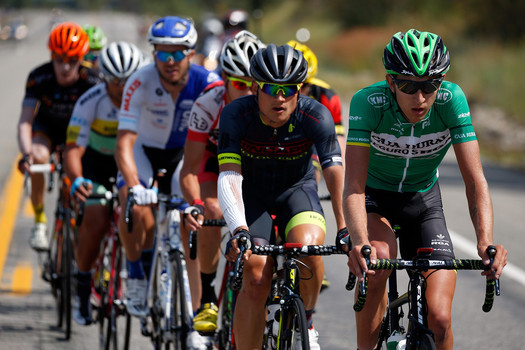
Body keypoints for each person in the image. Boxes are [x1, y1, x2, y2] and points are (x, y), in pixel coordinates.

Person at [342, 29, 508, 350]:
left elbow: (475, 182)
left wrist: (485, 240)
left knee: (440, 318)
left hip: (423, 201)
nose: (420, 98)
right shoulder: (369, 103)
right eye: (407, 85)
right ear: (391, 82)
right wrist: (360, 241)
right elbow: (353, 186)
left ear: (441, 82)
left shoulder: (450, 100)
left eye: (430, 85)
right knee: (378, 264)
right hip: (376, 200)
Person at [218, 44, 346, 350]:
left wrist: (344, 227)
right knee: (255, 274)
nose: (280, 97)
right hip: (253, 196)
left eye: (288, 89)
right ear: (254, 87)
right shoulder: (236, 115)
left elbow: (334, 172)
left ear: (299, 89)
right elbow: (230, 176)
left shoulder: (316, 115)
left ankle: (308, 320)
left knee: (310, 250)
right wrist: (239, 229)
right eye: (271, 88)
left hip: (296, 191)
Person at [114, 15, 220, 348]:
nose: (170, 61)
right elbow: (124, 143)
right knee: (134, 207)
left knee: (193, 225)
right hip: (143, 153)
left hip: (182, 158)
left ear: (191, 53)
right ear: (154, 54)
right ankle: (135, 271)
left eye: (178, 53)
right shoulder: (139, 81)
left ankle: (193, 322)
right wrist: (134, 186)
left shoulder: (208, 81)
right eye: (163, 53)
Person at [180, 30, 265, 333]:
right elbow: (189, 168)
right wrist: (196, 205)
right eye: (240, 84)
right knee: (213, 212)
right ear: (225, 79)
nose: (249, 93)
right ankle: (206, 298)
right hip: (212, 165)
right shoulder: (207, 104)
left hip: (253, 170)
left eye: (254, 85)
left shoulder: (269, 104)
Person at [64, 41, 144, 326]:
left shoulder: (147, 99)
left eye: (128, 80)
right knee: (96, 221)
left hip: (132, 165)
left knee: (141, 215)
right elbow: (73, 147)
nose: (122, 88)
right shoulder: (90, 101)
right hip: (96, 167)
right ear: (104, 77)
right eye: (114, 81)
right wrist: (77, 179)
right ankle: (82, 289)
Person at [17, 21, 101, 251]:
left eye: (72, 60)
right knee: (38, 157)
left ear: (82, 58)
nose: (65, 67)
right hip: (47, 129)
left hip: (80, 134)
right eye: (59, 59)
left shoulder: (93, 80)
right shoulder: (39, 77)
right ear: (51, 55)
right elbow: (25, 120)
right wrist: (26, 155)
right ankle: (40, 221)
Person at [287, 40, 346, 166]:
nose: (299, 91)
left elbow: (338, 139)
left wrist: (342, 173)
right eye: (290, 86)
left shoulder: (327, 95)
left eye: (304, 85)